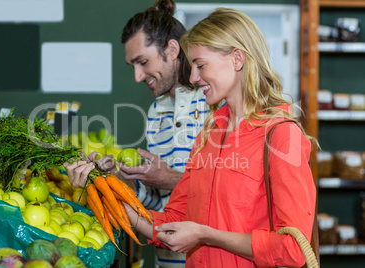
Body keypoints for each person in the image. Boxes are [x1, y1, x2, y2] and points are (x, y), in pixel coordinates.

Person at [118, 8, 317, 268]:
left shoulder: (281, 136)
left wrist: (206, 235)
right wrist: (109, 197)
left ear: (237, 59)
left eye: (200, 65)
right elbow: (173, 221)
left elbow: (294, 249)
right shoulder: (207, 136)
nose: (192, 78)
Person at [64, 0, 210, 266]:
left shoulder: (215, 101)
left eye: (142, 62)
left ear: (172, 50)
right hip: (166, 259)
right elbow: (156, 202)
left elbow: (233, 191)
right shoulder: (156, 112)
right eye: (132, 65)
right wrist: (120, 181)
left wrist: (171, 179)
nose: (137, 76)